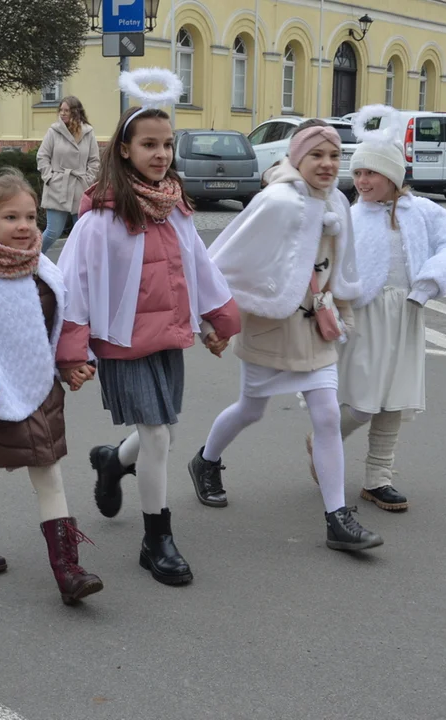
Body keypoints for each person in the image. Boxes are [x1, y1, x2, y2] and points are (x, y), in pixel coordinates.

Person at [56, 69, 240, 586]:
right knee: (159, 435)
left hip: (168, 338)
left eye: (167, 145)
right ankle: (156, 538)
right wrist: (74, 353)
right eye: (149, 145)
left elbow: (199, 267)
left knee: (162, 431)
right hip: (121, 342)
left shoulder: (175, 209)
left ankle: (113, 462)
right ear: (124, 150)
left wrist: (218, 320)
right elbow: (74, 285)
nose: (161, 154)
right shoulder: (102, 219)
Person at [187, 119, 383, 553]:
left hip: (317, 329)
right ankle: (205, 460)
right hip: (272, 327)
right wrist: (213, 322)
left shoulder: (338, 203)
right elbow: (223, 261)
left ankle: (337, 519)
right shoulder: (275, 201)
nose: (328, 164)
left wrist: (343, 311)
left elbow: (341, 267)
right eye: (317, 155)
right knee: (250, 410)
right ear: (297, 158)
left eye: (334, 156)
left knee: (328, 415)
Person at [0, 168, 103, 606]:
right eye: (11, 217)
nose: (25, 226)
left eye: (31, 216)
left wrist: (72, 363)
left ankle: (68, 570)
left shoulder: (42, 268)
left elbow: (61, 323)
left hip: (38, 387)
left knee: (48, 471)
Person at [305, 105, 446, 512]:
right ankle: (322, 440)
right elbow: (323, 257)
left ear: (393, 176)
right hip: (363, 316)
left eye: (371, 173)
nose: (361, 181)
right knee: (362, 402)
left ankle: (378, 478)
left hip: (408, 312)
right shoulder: (348, 214)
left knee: (395, 400)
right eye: (358, 173)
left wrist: (431, 280)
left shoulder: (423, 211)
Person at [35, 96, 99, 252]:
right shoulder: (54, 132)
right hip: (58, 186)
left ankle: (76, 268)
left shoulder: (88, 133)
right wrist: (49, 177)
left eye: (66, 110)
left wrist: (88, 180)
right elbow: (42, 156)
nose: (62, 113)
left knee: (82, 233)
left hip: (80, 188)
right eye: (61, 110)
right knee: (52, 232)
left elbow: (94, 160)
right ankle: (31, 260)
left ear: (76, 112)